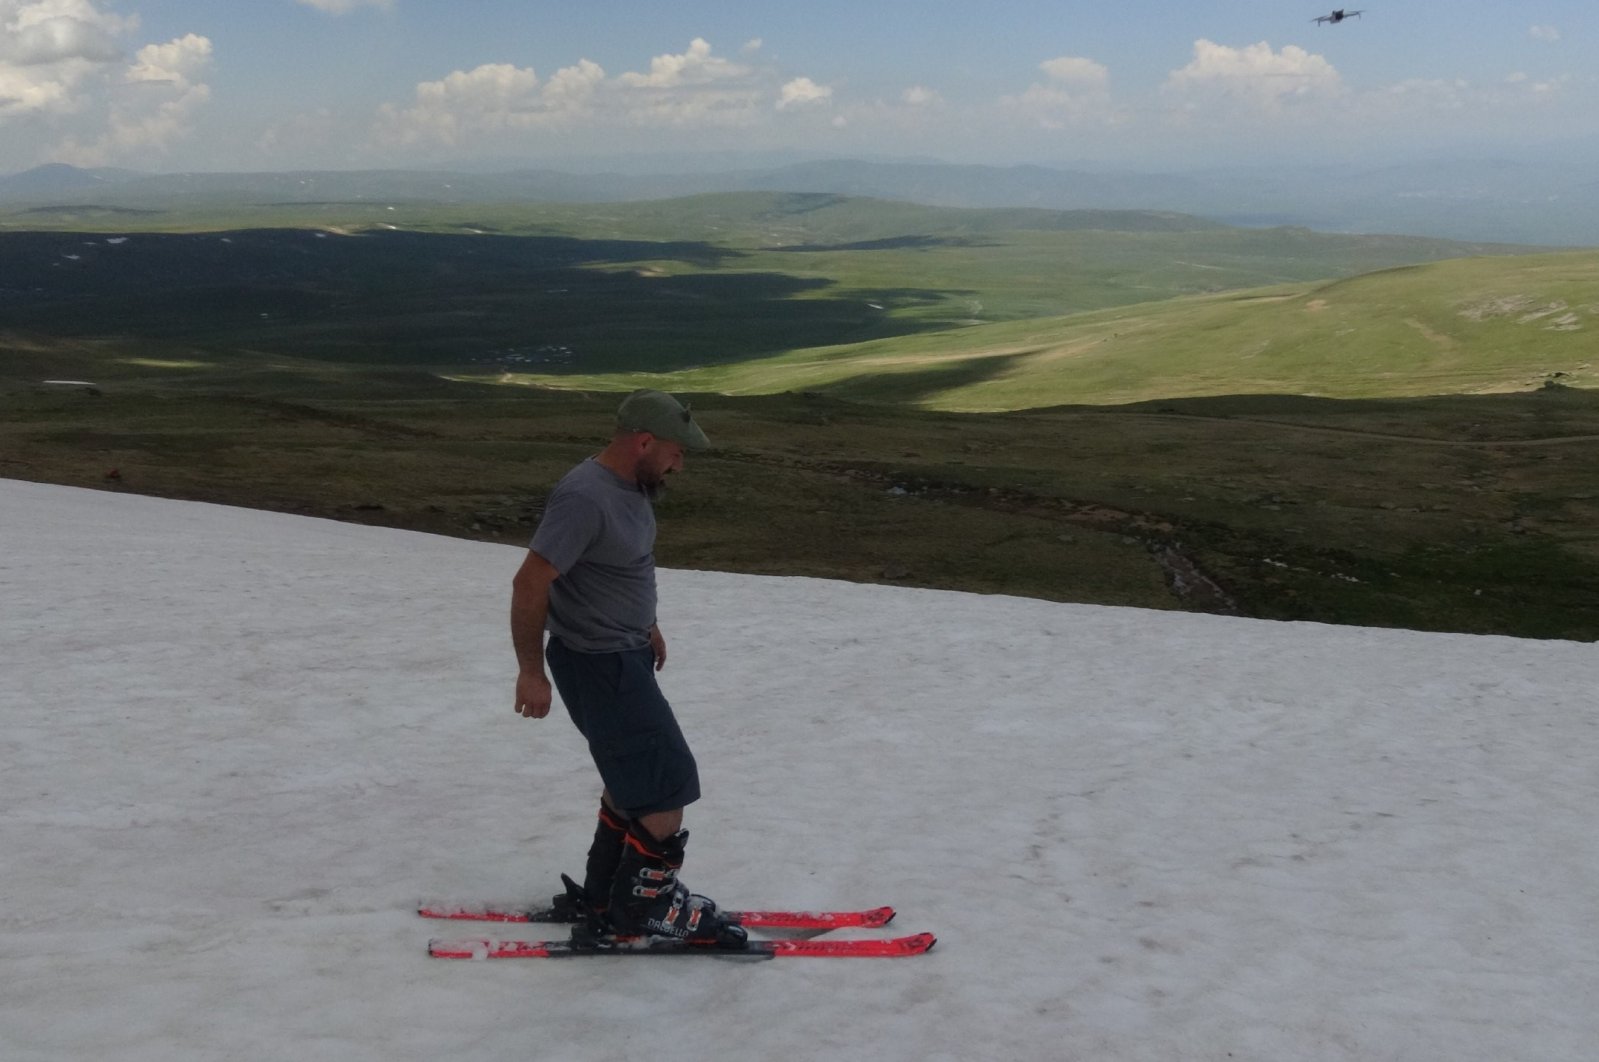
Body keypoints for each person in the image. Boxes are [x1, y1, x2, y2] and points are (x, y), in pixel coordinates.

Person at [509, 389, 743, 946]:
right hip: (599, 662)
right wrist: (530, 671)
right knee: (666, 783)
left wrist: (646, 623)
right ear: (643, 441)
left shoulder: (630, 487)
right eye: (675, 451)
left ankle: (605, 894)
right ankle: (645, 907)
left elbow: (619, 568)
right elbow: (530, 582)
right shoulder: (585, 497)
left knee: (632, 779)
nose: (679, 463)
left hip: (622, 652)